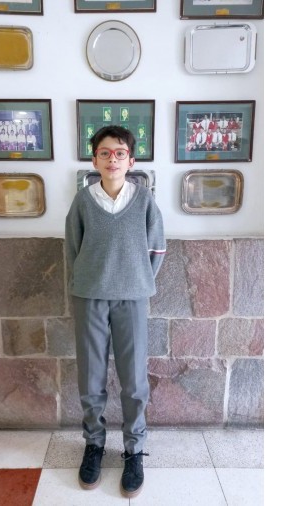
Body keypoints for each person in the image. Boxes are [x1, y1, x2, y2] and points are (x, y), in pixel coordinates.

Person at [65, 125, 166, 499]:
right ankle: (94, 443)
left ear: (131, 161)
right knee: (91, 377)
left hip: (132, 298)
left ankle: (134, 449)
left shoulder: (144, 201)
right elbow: (72, 250)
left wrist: (137, 280)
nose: (112, 159)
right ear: (94, 160)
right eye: (105, 153)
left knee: (134, 380)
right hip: (89, 297)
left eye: (120, 153)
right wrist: (84, 283)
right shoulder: (82, 201)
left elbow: (157, 249)